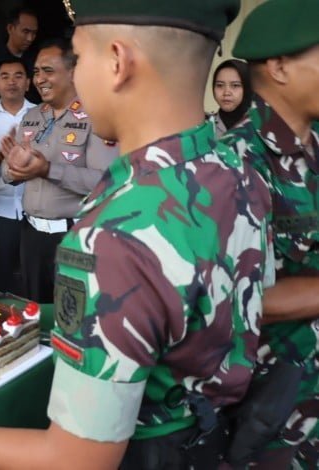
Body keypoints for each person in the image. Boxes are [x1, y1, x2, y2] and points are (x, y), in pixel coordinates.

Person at [0, 1, 272, 468]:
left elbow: (76, 459)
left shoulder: (112, 233)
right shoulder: (239, 168)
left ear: (118, 62)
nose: (73, 77)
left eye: (79, 59)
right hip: (220, 436)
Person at [222, 1, 319, 467]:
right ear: (279, 67)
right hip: (277, 412)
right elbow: (228, 299)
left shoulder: (315, 146)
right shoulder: (234, 163)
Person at [1, 39, 118, 304]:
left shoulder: (95, 117)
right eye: (36, 72)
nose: (39, 79)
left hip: (73, 236)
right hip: (31, 236)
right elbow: (8, 174)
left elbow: (105, 182)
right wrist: (14, 169)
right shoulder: (32, 116)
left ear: (73, 73)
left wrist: (48, 169)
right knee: (35, 313)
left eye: (48, 71)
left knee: (72, 316)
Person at [0, 57, 34, 294]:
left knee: (34, 277)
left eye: (18, 76)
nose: (12, 82)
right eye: (5, 76)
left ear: (28, 83)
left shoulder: (43, 115)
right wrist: (1, 155)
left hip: (35, 208)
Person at [210, 59, 251, 137]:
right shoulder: (205, 126)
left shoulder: (260, 126)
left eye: (235, 85)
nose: (226, 93)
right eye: (220, 85)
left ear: (247, 88)